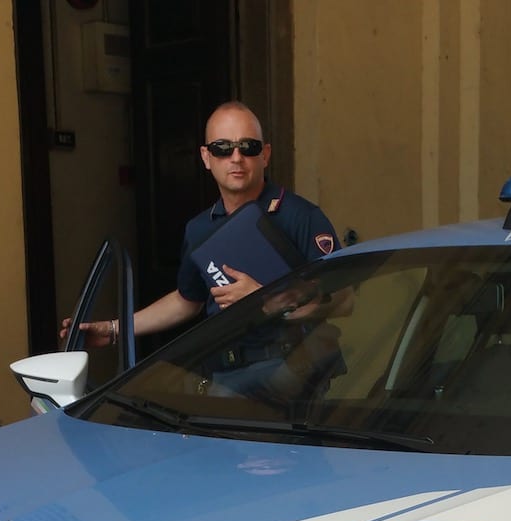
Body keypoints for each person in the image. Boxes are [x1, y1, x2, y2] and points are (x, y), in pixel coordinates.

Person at [63, 101, 338, 346]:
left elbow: (343, 299)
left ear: (265, 154)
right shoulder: (199, 228)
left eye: (248, 147)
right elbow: (187, 301)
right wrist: (114, 329)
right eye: (222, 148)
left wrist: (267, 300)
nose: (236, 157)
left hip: (291, 376)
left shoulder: (301, 216)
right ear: (206, 157)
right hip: (224, 373)